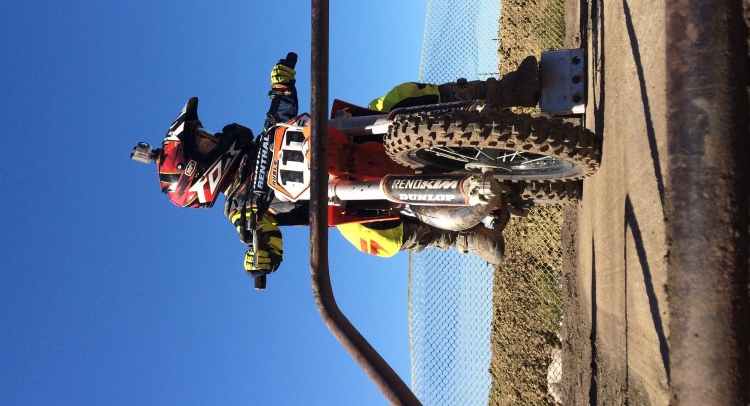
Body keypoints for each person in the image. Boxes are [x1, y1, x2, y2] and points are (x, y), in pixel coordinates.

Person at [130, 55, 543, 281]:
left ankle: (504, 92)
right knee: (371, 239)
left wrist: (282, 85)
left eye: (202, 133)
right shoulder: (243, 207)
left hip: (350, 140)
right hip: (347, 195)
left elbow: (281, 117)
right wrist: (261, 254)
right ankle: (461, 238)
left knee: (397, 100)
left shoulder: (258, 142)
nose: (210, 136)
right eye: (201, 142)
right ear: (198, 174)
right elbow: (262, 236)